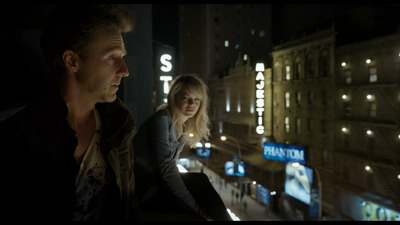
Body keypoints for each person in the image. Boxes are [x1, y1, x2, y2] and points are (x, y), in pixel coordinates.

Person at [0, 4, 139, 221]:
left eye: (122, 56)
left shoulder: (118, 125)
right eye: (111, 57)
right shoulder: (20, 138)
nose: (124, 70)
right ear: (72, 61)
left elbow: (128, 206)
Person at [132, 74, 232, 221]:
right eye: (185, 98)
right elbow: (167, 168)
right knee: (199, 182)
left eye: (197, 99)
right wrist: (193, 206)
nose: (192, 104)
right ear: (174, 98)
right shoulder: (162, 121)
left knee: (199, 180)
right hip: (143, 190)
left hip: (155, 184)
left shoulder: (181, 127)